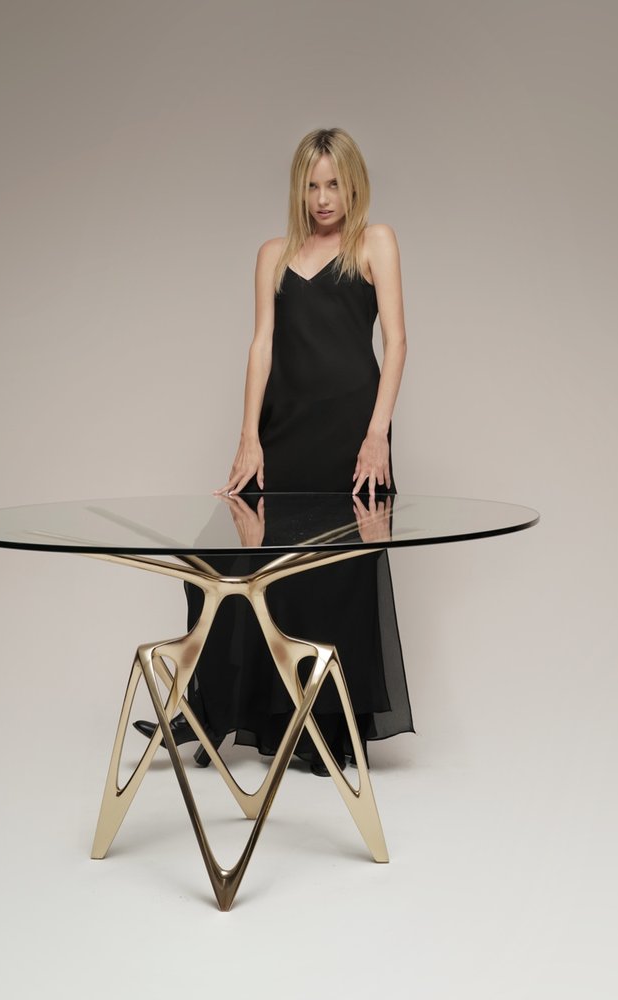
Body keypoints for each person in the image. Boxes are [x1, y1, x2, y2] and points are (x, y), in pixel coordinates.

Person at [135, 127, 412, 775]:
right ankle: (205, 712)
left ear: (353, 184)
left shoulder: (375, 242)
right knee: (226, 561)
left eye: (334, 184)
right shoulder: (272, 253)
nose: (323, 199)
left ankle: (323, 730)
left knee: (334, 573)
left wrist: (377, 436)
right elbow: (261, 345)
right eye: (312, 186)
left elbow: (396, 343)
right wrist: (247, 438)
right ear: (299, 188)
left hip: (351, 434)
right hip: (283, 430)